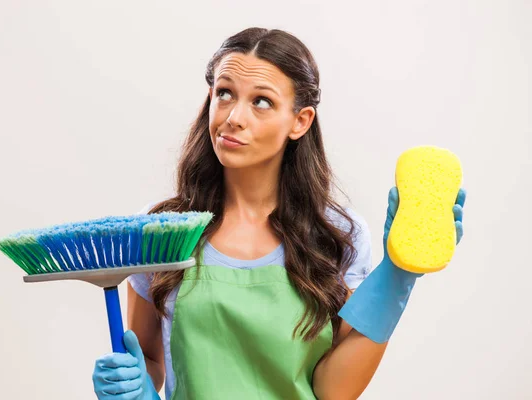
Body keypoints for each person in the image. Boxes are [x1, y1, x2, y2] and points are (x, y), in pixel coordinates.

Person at [91, 27, 466, 400]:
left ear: (300, 121)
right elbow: (151, 361)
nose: (234, 117)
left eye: (262, 102)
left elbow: (334, 390)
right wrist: (133, 388)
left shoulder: (336, 235)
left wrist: (398, 276)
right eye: (224, 94)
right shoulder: (163, 232)